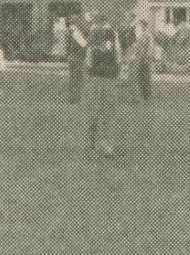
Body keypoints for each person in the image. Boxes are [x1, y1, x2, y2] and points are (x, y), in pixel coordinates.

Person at [84, 13, 123, 157]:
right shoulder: (113, 34)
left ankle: (92, 143)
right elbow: (118, 55)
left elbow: (88, 58)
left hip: (95, 76)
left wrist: (91, 69)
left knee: (94, 108)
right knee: (109, 109)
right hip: (109, 76)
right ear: (107, 21)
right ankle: (106, 143)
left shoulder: (92, 34)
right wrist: (117, 70)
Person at [122, 18, 154, 103]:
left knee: (145, 78)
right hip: (134, 59)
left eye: (140, 25)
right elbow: (129, 46)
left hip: (144, 59)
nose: (138, 27)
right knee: (132, 77)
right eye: (137, 26)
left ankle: (146, 96)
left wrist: (147, 57)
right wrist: (128, 56)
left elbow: (150, 48)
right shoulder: (133, 35)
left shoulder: (148, 35)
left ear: (144, 26)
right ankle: (133, 97)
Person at [65, 15, 87, 104]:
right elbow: (83, 44)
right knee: (78, 77)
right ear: (75, 22)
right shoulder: (75, 31)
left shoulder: (69, 31)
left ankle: (72, 97)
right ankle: (76, 98)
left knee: (73, 77)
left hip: (72, 56)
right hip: (77, 57)